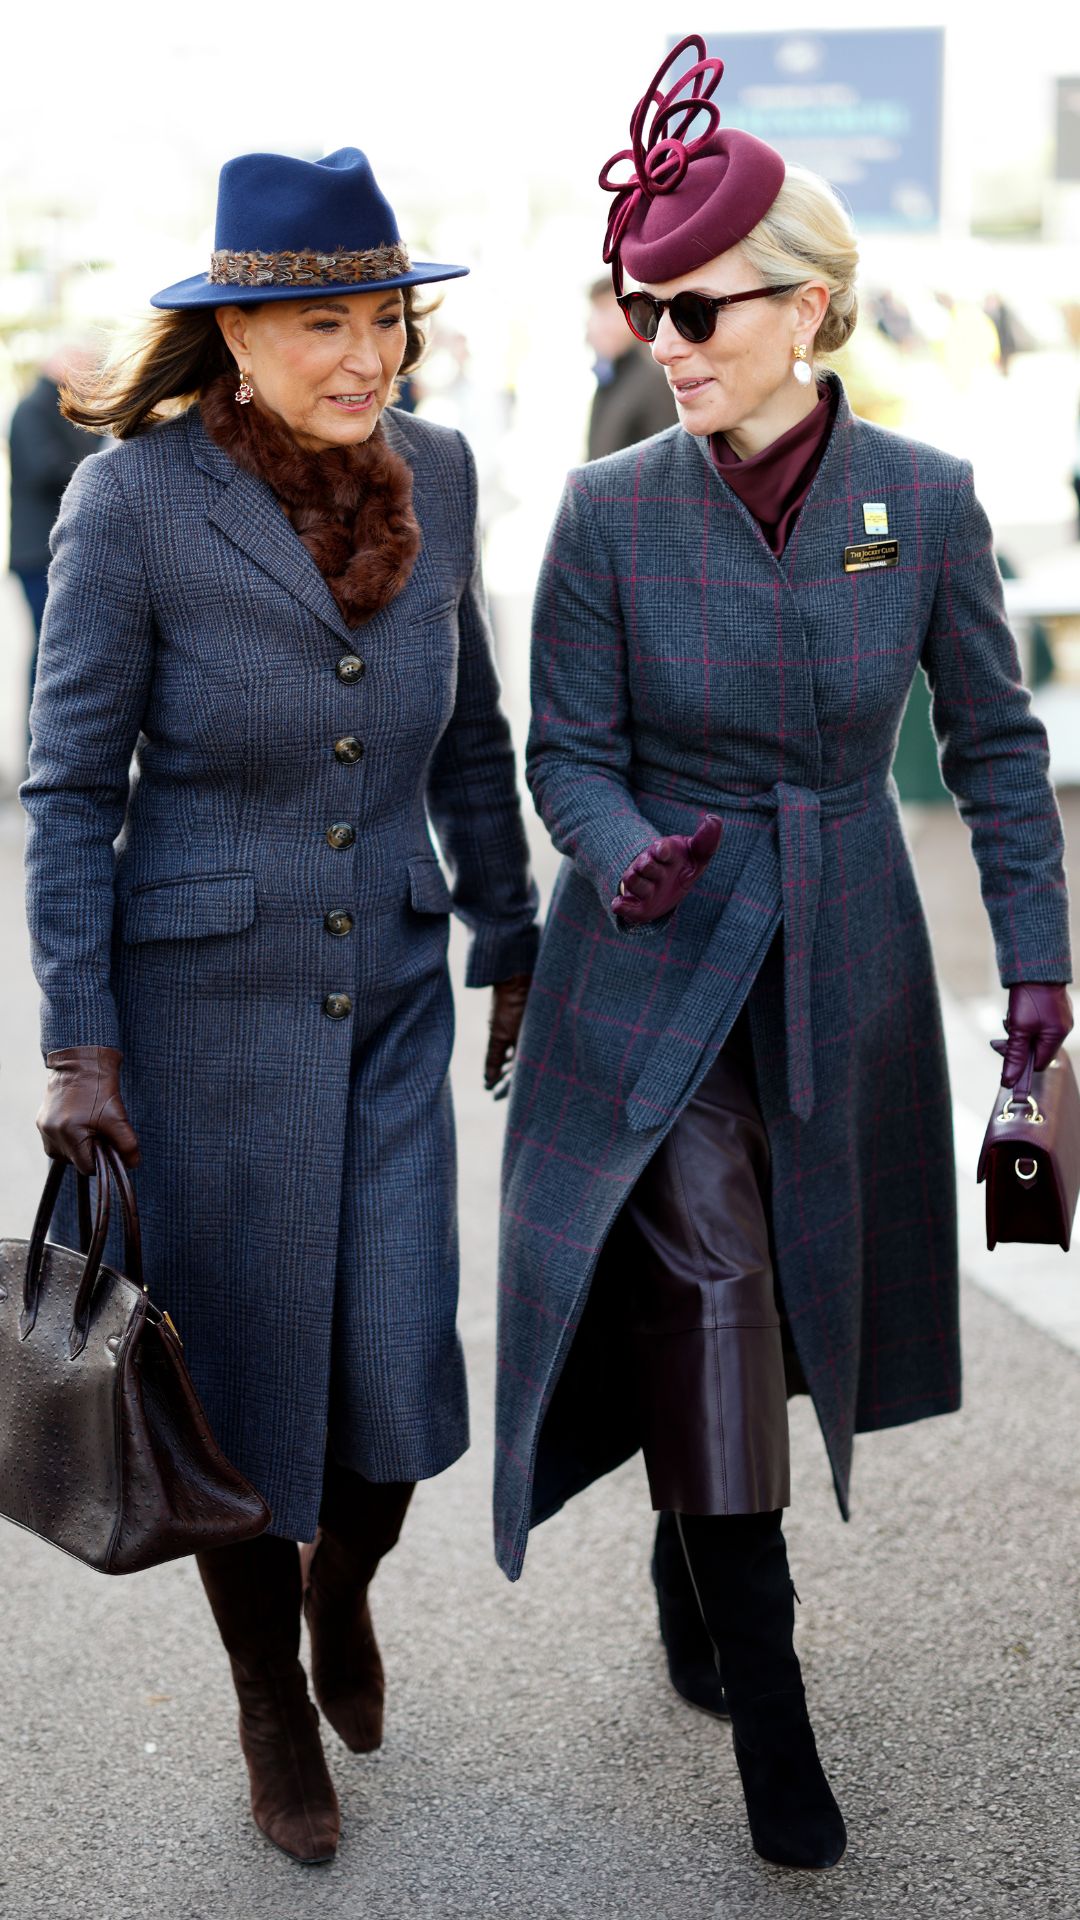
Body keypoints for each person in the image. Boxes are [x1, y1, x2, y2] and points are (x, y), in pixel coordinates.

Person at [495, 37, 1072, 1873]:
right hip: (652, 980)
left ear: (805, 308)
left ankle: (691, 1552)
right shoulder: (607, 513)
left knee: (781, 1320)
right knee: (714, 1294)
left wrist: (1042, 973)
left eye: (699, 308)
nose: (664, 340)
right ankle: (777, 1719)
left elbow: (996, 749)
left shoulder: (926, 498)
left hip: (848, 969)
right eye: (644, 307)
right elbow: (565, 754)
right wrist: (624, 851)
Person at [23, 146, 538, 1867]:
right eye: (324, 323)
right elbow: (67, 788)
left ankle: (345, 1581)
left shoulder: (441, 471)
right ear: (237, 337)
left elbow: (472, 730)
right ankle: (265, 1696)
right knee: (236, 1381)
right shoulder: (135, 502)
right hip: (202, 1017)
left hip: (388, 994)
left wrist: (511, 929)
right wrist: (79, 1045)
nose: (365, 354)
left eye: (384, 317)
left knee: (395, 1369)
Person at [7, 346, 98, 701]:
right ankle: (37, 729)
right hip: (36, 551)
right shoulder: (32, 408)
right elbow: (46, 470)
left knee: (58, 647)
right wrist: (96, 472)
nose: (89, 374)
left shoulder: (58, 406)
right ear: (61, 365)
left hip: (51, 547)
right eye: (84, 365)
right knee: (49, 648)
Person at [586, 274, 676, 458]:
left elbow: (667, 459)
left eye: (610, 314)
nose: (600, 326)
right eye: (597, 313)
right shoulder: (609, 378)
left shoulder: (654, 380)